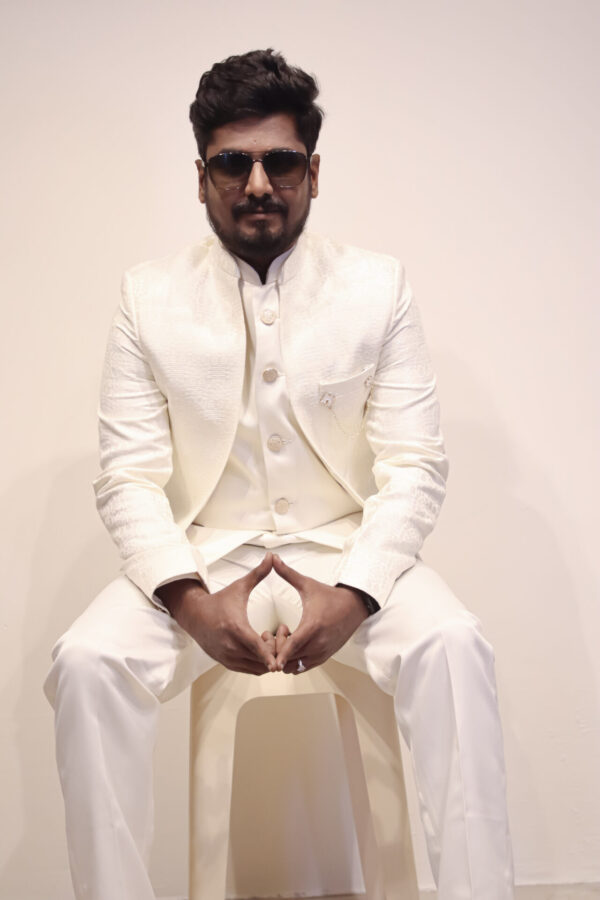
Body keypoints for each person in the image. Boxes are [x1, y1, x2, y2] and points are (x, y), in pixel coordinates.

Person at [44, 49, 514, 899]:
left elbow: (415, 465)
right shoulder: (147, 296)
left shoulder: (378, 287)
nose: (258, 183)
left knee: (453, 645)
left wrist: (359, 593)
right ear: (201, 177)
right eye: (233, 163)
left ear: (313, 173)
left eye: (280, 162)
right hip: (203, 557)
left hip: (346, 555)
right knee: (85, 663)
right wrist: (188, 600)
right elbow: (128, 478)